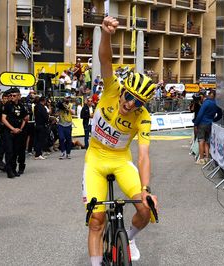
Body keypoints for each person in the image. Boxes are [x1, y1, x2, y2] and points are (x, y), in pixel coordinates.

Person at [83, 16, 158, 266]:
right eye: (129, 97)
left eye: (138, 102)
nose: (130, 104)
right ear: (123, 90)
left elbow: (143, 155)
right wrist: (107, 34)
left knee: (145, 209)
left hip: (120, 160)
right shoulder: (111, 88)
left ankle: (130, 239)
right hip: (95, 159)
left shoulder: (143, 117)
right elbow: (105, 59)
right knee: (97, 219)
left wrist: (146, 190)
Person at [1, 87, 29, 178]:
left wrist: (20, 128)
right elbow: (3, 119)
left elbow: (26, 118)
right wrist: (12, 128)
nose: (12, 97)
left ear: (19, 96)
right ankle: (9, 170)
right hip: (9, 131)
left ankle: (14, 169)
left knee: (16, 151)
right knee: (9, 151)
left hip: (18, 132)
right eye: (11, 95)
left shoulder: (21, 106)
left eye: (14, 95)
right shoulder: (8, 105)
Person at [194, 89, 222, 165]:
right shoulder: (217, 104)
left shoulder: (206, 103)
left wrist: (196, 123)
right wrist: (213, 119)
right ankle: (207, 157)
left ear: (209, 94)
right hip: (210, 123)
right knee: (207, 141)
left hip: (202, 123)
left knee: (201, 140)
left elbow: (200, 114)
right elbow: (220, 115)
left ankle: (201, 159)